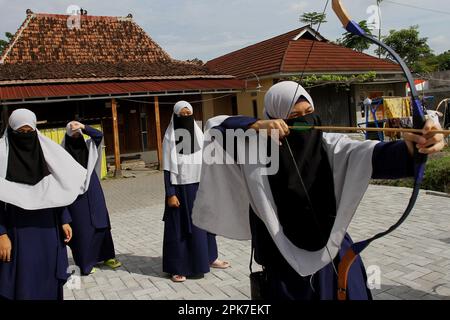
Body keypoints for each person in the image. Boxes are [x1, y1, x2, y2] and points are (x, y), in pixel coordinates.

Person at [193, 81, 446, 300]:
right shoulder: (254, 152)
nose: (305, 121)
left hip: (334, 260)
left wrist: (416, 146)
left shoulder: (331, 146)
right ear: (274, 116)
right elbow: (214, 129)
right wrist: (255, 125)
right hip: (282, 266)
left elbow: (375, 156)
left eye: (309, 112)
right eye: (294, 115)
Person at [0, 109, 87, 300]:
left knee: (48, 277)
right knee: (23, 282)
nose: (25, 137)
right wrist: (2, 234)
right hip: (18, 232)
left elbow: (57, 189)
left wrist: (64, 219)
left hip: (48, 230)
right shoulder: (1, 158)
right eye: (20, 132)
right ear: (10, 131)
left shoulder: (47, 155)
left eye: (29, 132)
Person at [162, 101, 230, 283]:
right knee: (181, 227)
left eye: (188, 114)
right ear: (175, 116)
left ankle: (210, 257)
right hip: (181, 189)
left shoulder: (199, 135)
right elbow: (168, 169)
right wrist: (170, 193)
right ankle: (178, 267)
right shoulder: (170, 137)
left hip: (202, 186)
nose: (185, 118)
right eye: (181, 115)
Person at [62, 121, 120, 275]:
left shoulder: (89, 147)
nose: (76, 138)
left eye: (78, 135)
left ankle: (107, 256)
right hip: (74, 194)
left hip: (93, 188)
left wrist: (83, 127)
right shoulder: (62, 154)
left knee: (102, 223)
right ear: (67, 139)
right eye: (72, 136)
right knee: (82, 228)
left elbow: (99, 135)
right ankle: (85, 262)